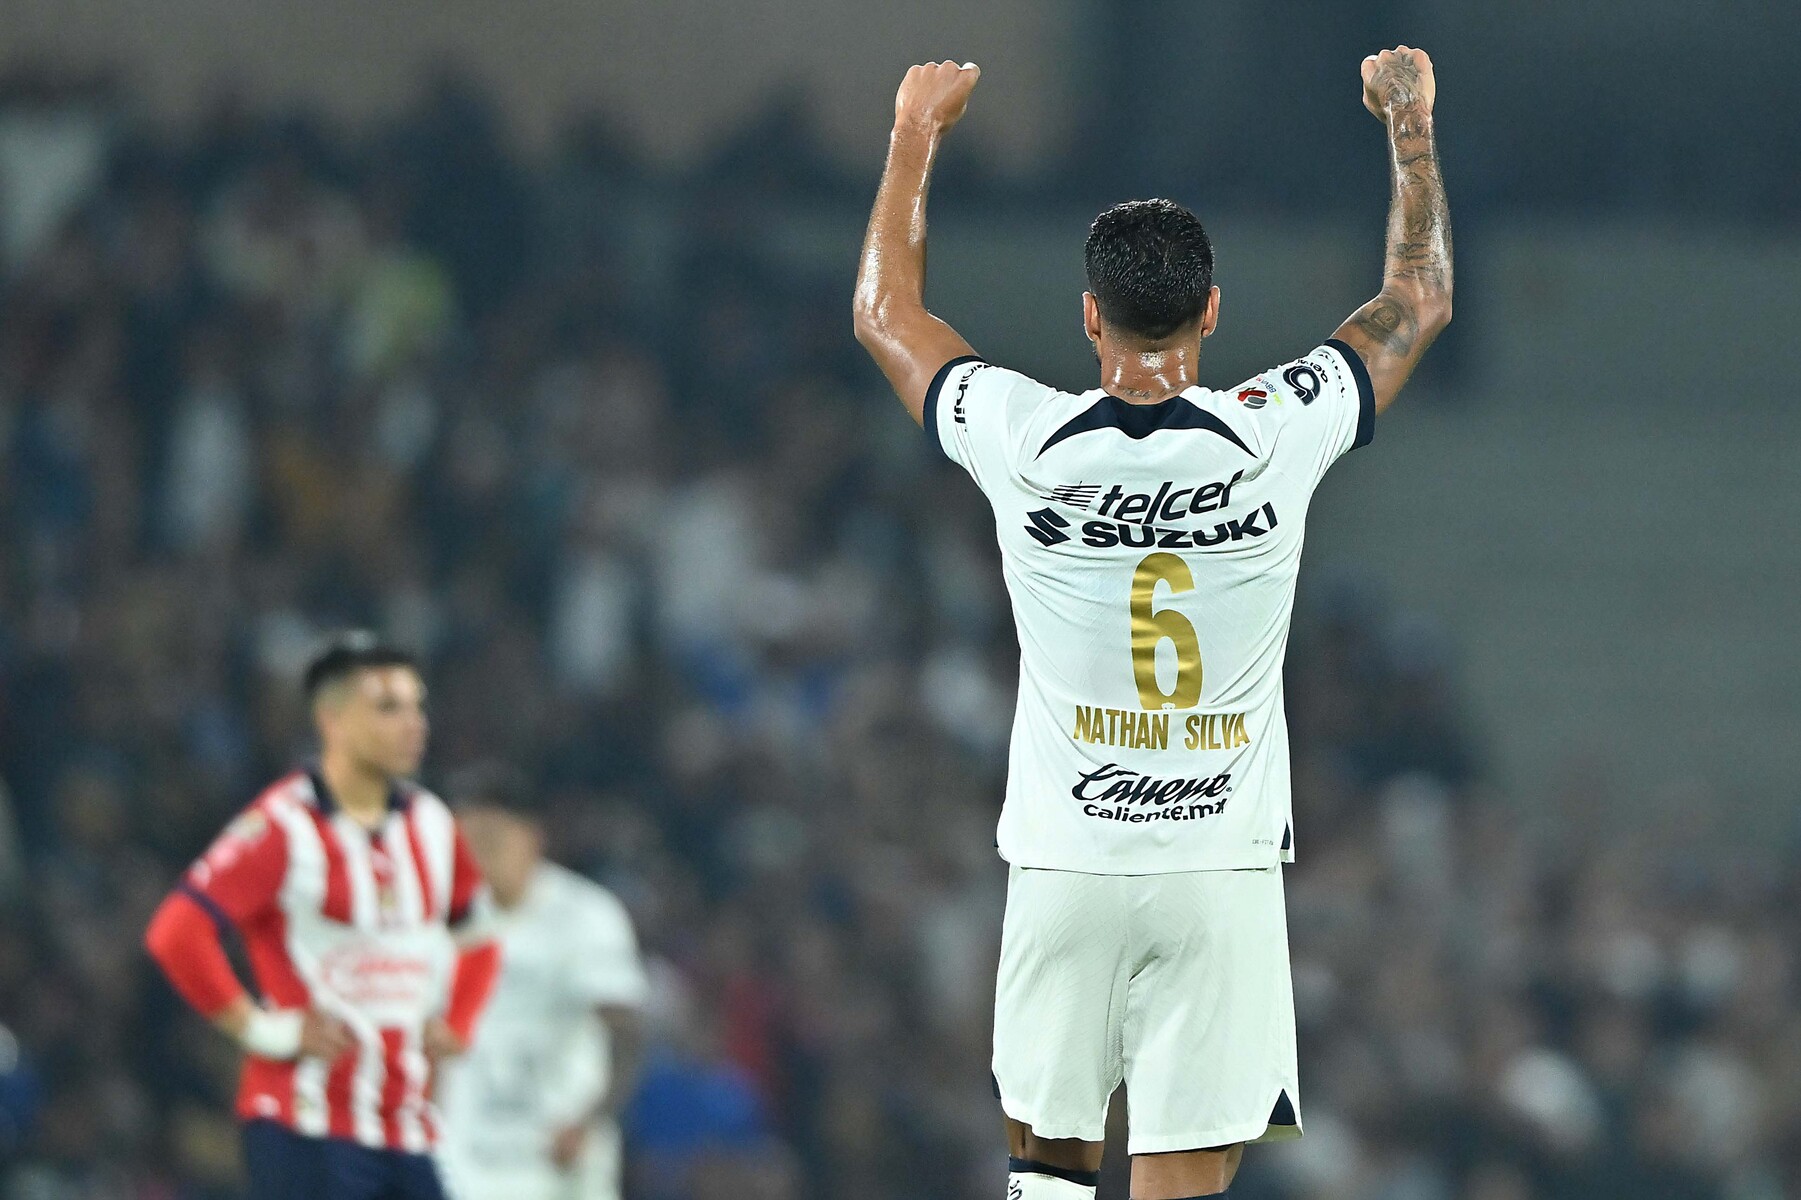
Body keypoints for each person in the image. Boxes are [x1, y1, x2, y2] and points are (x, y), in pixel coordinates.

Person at [852, 47, 1451, 1200]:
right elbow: (1415, 302)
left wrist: (914, 130)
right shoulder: (1274, 431)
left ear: (1089, 317)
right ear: (1212, 311)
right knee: (1182, 1173)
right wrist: (1409, 126)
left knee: (1046, 1170)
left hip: (1066, 857)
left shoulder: (1022, 435)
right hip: (1217, 867)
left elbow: (887, 316)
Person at [144, 634, 500, 1200]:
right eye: (388, 708)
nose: (414, 724)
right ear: (332, 720)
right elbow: (176, 933)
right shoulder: (283, 825)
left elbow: (479, 935)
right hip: (304, 1123)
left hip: (406, 1128)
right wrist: (260, 1029)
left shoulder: (433, 823)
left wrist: (460, 1021)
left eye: (417, 706)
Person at [435, 764, 649, 1200]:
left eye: (491, 839)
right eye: (465, 841)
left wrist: (591, 1122)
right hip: (468, 1156)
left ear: (532, 838)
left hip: (558, 1151)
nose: (476, 854)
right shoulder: (440, 922)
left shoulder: (585, 916)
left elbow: (626, 1033)